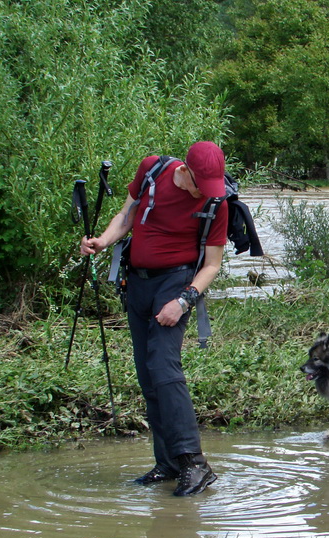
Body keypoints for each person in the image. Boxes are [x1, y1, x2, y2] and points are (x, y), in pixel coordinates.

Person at [80, 141, 228, 496]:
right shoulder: (152, 169)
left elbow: (212, 265)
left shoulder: (216, 202)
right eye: (199, 184)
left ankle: (195, 463)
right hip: (138, 284)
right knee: (147, 375)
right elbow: (127, 216)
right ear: (186, 171)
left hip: (176, 283)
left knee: (164, 368)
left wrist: (184, 300)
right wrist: (101, 241)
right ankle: (168, 463)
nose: (203, 193)